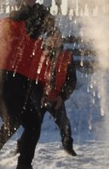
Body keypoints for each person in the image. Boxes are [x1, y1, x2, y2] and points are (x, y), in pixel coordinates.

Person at [0, 3, 56, 169]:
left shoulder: (27, 36)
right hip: (7, 83)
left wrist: (46, 88)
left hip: (5, 84)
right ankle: (23, 166)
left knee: (14, 123)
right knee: (32, 124)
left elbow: (39, 68)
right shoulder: (14, 27)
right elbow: (19, 20)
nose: (44, 29)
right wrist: (33, 14)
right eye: (43, 24)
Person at [32, 29, 77, 157]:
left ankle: (68, 148)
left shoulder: (67, 56)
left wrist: (62, 97)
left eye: (58, 38)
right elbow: (32, 79)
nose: (56, 40)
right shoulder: (39, 54)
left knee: (65, 124)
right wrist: (40, 96)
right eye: (53, 38)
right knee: (32, 125)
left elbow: (71, 81)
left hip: (56, 97)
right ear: (47, 39)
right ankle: (21, 148)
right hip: (39, 97)